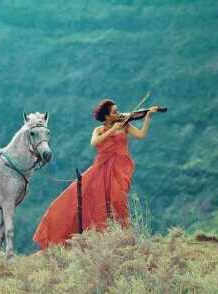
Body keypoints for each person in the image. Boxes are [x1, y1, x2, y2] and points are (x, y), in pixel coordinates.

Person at [33, 99, 158, 250]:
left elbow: (141, 135)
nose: (118, 114)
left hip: (120, 168)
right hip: (101, 169)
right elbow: (95, 142)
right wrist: (113, 130)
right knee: (85, 200)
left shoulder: (125, 125)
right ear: (106, 117)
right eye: (114, 112)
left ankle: (126, 238)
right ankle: (103, 237)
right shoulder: (99, 130)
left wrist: (148, 118)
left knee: (119, 201)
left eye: (118, 111)